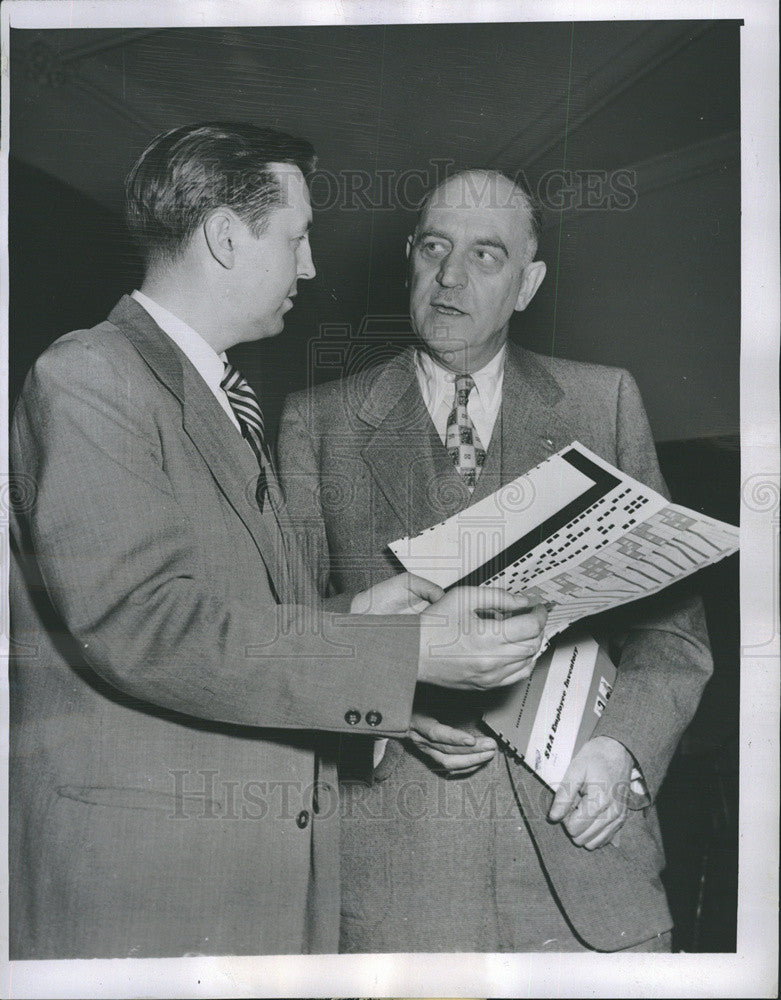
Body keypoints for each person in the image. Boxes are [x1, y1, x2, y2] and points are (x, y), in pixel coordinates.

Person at [7, 132, 548, 960]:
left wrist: (361, 619)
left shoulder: (218, 392)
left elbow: (234, 619)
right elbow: (143, 622)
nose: (310, 268)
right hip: (150, 889)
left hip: (238, 876)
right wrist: (398, 653)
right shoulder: (90, 375)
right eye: (295, 237)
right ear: (227, 237)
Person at [277, 169, 714, 953]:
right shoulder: (317, 424)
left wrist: (621, 753)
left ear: (526, 284)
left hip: (588, 865)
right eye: (435, 248)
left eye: (486, 255)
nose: (451, 276)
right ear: (408, 257)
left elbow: (673, 636)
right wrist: (394, 707)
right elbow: (290, 637)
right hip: (396, 885)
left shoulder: (603, 402)